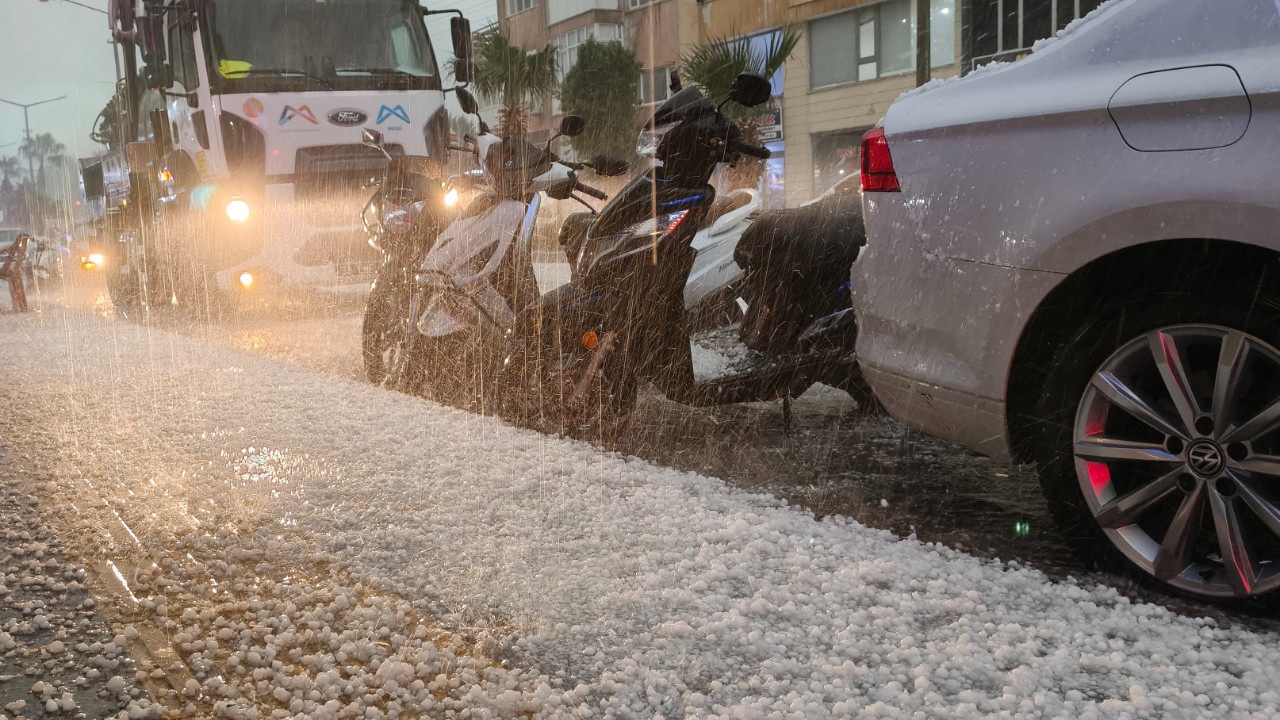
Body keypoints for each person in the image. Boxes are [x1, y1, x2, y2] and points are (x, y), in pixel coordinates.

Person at [1, 233, 30, 312]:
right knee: (13, 279)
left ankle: (19, 305)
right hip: (12, 269)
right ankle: (20, 305)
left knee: (13, 279)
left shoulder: (15, 248)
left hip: (13, 270)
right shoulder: (15, 248)